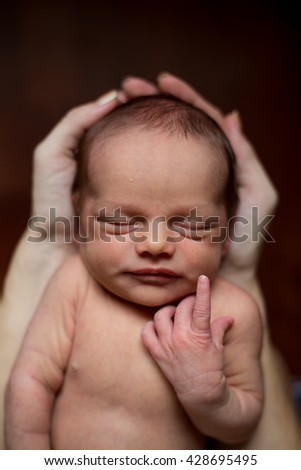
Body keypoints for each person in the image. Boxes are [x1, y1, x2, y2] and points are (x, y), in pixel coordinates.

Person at [0, 73, 300, 449]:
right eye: (120, 222)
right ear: (78, 220)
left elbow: (242, 430)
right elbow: (30, 382)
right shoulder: (74, 285)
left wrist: (214, 400)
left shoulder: (233, 310)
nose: (156, 244)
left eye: (192, 225)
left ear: (229, 229)